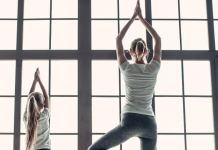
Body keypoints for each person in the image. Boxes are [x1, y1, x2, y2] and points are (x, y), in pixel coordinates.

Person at [88, 0, 161, 150]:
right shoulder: (154, 67)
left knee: (93, 149)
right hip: (149, 124)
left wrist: (133, 18)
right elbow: (158, 39)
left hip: (130, 120)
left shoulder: (126, 67)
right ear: (147, 52)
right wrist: (142, 20)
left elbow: (118, 39)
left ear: (130, 52)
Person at [23, 68, 51, 150]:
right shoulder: (44, 116)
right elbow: (47, 97)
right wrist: (39, 80)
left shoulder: (26, 117)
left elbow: (30, 98)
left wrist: (35, 81)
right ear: (43, 105)